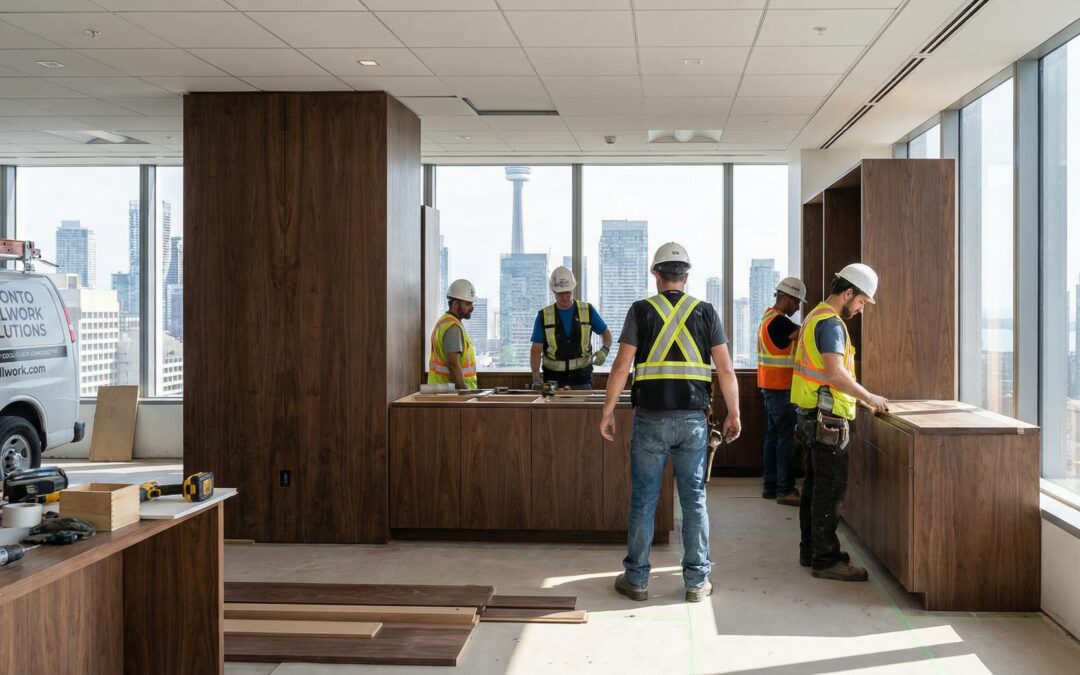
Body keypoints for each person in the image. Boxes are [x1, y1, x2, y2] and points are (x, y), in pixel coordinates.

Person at [599, 242, 740, 604]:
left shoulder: (640, 311)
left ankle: (637, 580)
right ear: (687, 276)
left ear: (656, 274)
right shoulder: (705, 312)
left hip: (650, 421)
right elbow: (724, 368)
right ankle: (696, 583)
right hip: (693, 420)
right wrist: (734, 413)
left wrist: (608, 411)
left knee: (644, 501)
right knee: (694, 501)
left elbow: (621, 366)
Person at [792, 263, 889, 582]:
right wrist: (870, 397)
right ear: (848, 293)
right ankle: (826, 559)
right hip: (828, 421)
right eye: (861, 301)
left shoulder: (814, 316)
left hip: (810, 415)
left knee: (814, 489)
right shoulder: (831, 324)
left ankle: (811, 551)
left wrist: (860, 398)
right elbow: (835, 373)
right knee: (828, 492)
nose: (860, 309)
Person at [757, 277, 806, 507]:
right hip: (781, 389)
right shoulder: (780, 323)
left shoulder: (767, 318)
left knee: (773, 437)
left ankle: (770, 485)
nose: (797, 307)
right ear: (786, 298)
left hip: (770, 387)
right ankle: (785, 489)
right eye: (796, 302)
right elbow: (806, 333)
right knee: (785, 439)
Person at [530, 266, 613, 390]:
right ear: (554, 291)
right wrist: (536, 377)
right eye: (560, 293)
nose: (565, 297)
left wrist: (605, 350)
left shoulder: (587, 310)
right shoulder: (544, 316)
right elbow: (536, 349)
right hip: (553, 380)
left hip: (582, 379)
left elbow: (606, 333)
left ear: (573, 289)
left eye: (568, 292)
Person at [427, 279, 478, 390]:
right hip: (451, 395)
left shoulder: (445, 322)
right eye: (468, 304)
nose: (472, 308)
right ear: (455, 304)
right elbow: (453, 364)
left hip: (444, 393)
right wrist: (464, 393)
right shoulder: (452, 327)